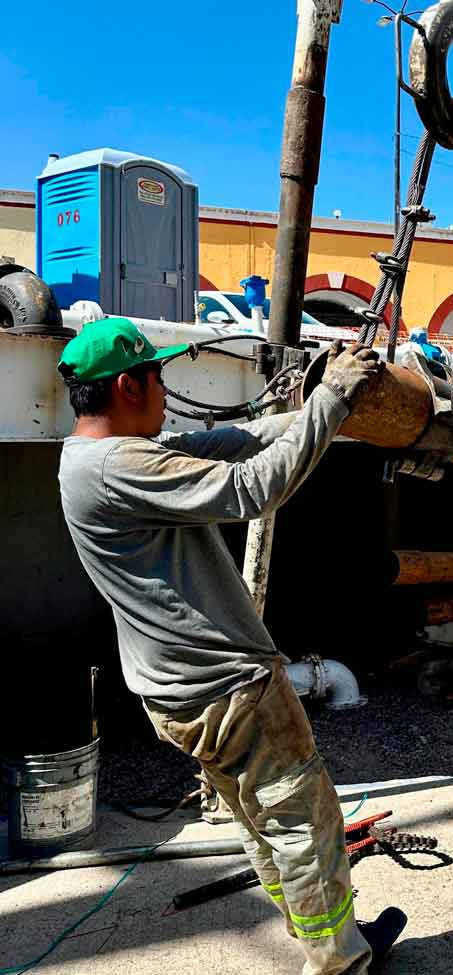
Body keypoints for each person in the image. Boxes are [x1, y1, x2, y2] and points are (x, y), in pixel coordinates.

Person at [57, 316, 405, 974]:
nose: (166, 390)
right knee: (304, 822)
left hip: (181, 693)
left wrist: (322, 410)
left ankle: (324, 937)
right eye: (158, 378)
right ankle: (339, 962)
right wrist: (332, 400)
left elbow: (232, 442)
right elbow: (253, 489)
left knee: (262, 821)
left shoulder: (91, 457)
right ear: (128, 386)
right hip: (228, 688)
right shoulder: (119, 466)